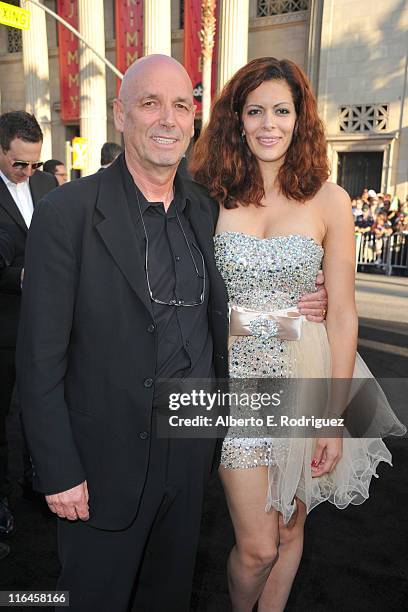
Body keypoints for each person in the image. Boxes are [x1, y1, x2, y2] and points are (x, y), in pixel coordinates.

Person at [16, 55, 326, 612]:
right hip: (100, 463)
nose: (167, 119)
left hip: (188, 453)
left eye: (181, 105)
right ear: (120, 115)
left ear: (194, 120)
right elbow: (39, 358)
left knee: (168, 598)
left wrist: (301, 314)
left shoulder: (207, 209)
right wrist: (58, 470)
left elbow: (218, 321)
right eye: (149, 103)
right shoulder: (67, 212)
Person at [190, 57, 406, 612]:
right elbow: (200, 304)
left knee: (289, 528)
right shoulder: (210, 194)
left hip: (304, 374)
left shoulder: (330, 200)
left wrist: (334, 416)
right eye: (255, 110)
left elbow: (343, 316)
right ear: (237, 120)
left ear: (299, 117)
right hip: (236, 386)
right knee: (258, 546)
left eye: (281, 110)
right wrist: (280, 317)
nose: (269, 124)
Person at [0, 111, 57, 540]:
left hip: (45, 324)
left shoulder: (43, 183)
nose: (28, 172)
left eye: (35, 163)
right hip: (4, 325)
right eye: (20, 163)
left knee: (43, 404)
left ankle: (39, 481)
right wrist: (19, 276)